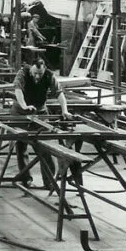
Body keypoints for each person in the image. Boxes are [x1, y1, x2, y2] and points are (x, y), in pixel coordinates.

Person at [12, 57, 74, 185]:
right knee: (21, 144)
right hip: (21, 112)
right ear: (31, 68)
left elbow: (59, 93)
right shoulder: (22, 73)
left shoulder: (49, 75)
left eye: (40, 74)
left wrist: (65, 110)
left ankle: (49, 181)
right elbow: (18, 90)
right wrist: (24, 106)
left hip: (40, 112)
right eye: (35, 73)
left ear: (44, 69)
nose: (37, 76)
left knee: (45, 146)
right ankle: (25, 178)